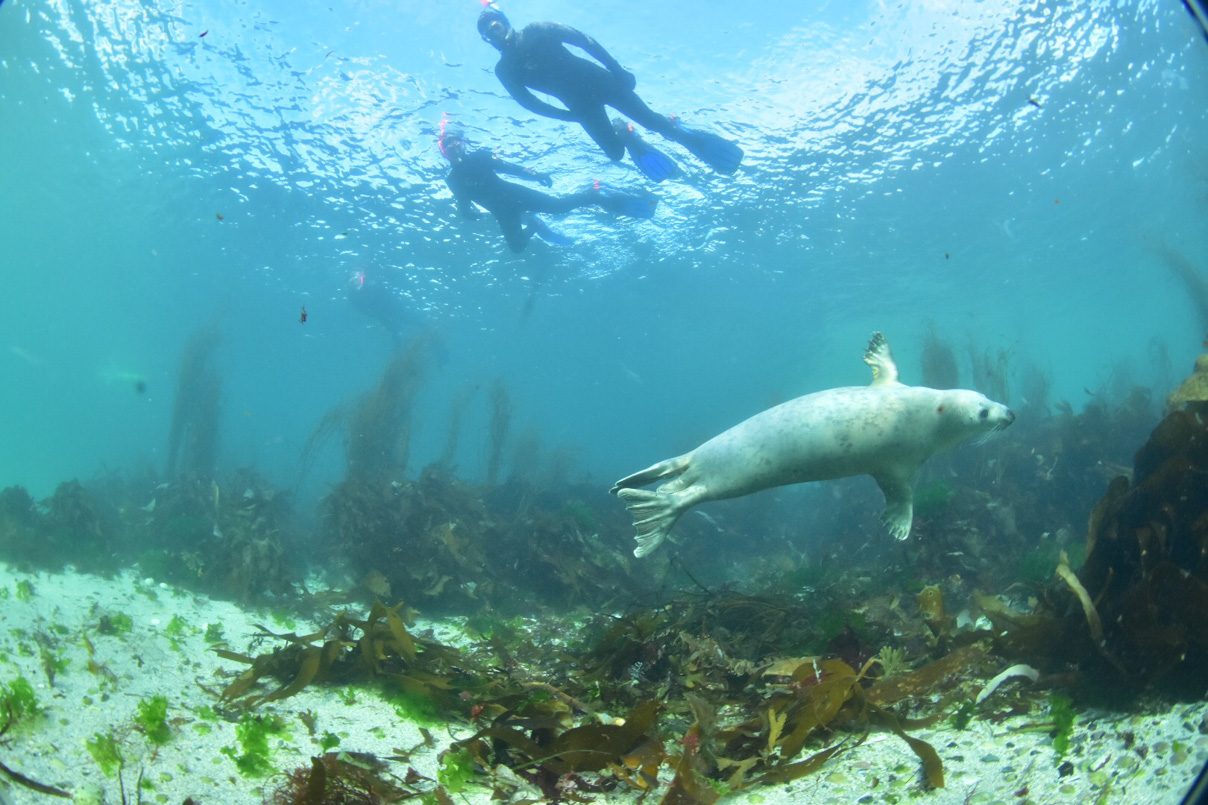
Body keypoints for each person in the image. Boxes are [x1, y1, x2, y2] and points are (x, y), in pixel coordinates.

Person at [477, 6, 743, 182]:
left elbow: (583, 40)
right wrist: (569, 116)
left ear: (504, 22)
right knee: (615, 154)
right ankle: (627, 136)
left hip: (600, 81)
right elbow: (529, 104)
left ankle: (682, 133)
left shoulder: (536, 30)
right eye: (488, 33)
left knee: (653, 121)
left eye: (495, 26)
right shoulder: (505, 70)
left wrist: (617, 70)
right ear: (486, 41)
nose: (493, 32)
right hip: (578, 105)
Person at [439, 124, 658, 253]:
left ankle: (594, 195)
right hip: (502, 211)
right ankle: (535, 223)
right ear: (444, 152)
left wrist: (538, 176)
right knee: (517, 248)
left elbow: (511, 168)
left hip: (515, 194)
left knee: (560, 207)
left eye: (456, 142)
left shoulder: (480, 157)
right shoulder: (453, 180)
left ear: (463, 144)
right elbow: (463, 204)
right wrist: (470, 216)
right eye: (448, 145)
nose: (454, 148)